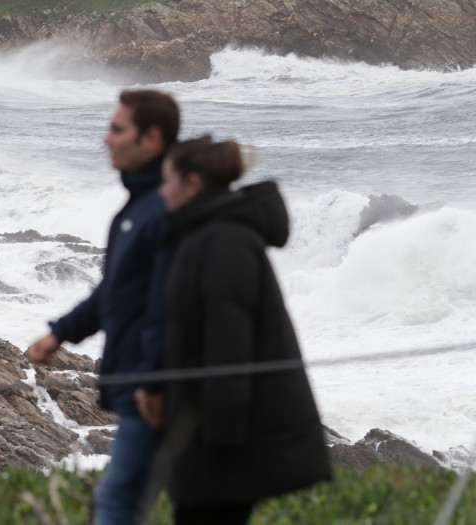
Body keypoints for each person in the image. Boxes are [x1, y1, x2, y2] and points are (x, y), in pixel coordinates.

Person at [143, 136, 332, 524]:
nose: (161, 191)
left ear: (192, 183)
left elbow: (229, 346)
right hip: (203, 427)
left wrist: (220, 443)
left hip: (219, 437)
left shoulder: (224, 242)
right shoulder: (203, 236)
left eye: (167, 181)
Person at [26, 89, 179, 525]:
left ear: (151, 138)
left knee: (118, 501)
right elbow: (116, 292)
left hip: (158, 386)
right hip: (149, 382)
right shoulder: (137, 208)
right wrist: (60, 333)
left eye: (117, 130)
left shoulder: (165, 210)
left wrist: (153, 377)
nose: (106, 140)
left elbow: (171, 303)